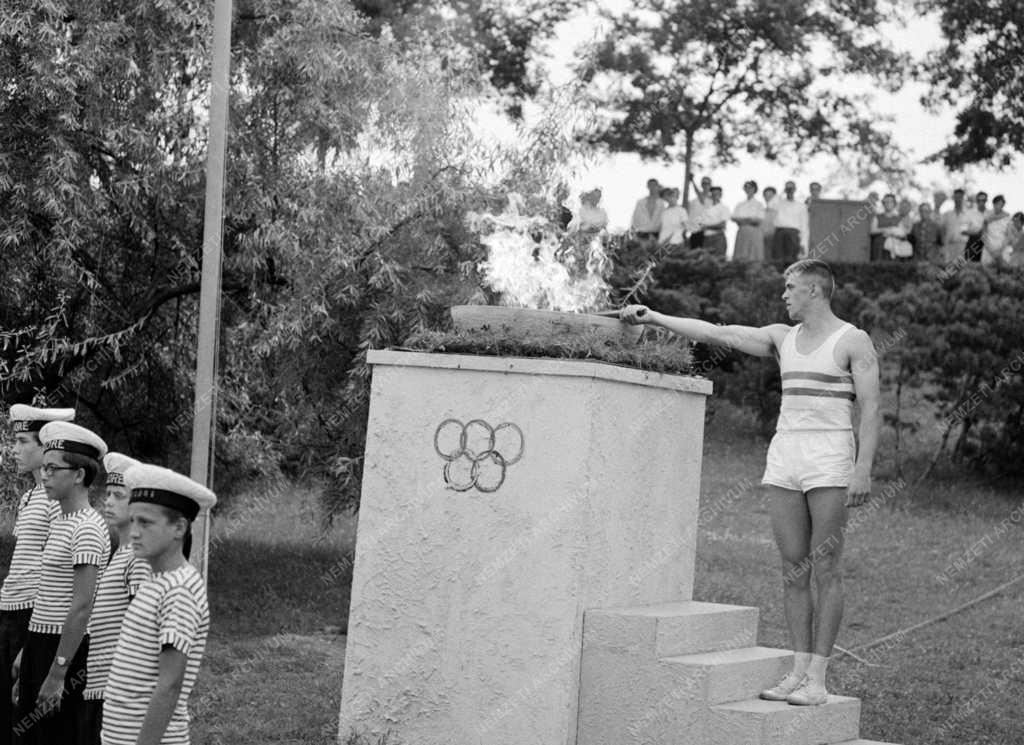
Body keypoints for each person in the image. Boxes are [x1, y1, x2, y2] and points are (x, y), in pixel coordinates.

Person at [620, 259, 880, 706]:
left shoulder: (852, 341)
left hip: (830, 458)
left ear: (815, 291)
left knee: (826, 568)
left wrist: (862, 469)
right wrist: (656, 316)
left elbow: (872, 409)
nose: (784, 294)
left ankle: (818, 679)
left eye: (791, 287)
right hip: (786, 456)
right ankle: (797, 669)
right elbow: (716, 332)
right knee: (793, 567)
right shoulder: (782, 338)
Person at [101, 464, 215, 745]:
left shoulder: (179, 589)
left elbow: (169, 684)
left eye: (146, 523)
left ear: (179, 527)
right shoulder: (156, 580)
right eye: (134, 520)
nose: (135, 532)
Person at [16, 421, 109, 745]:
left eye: (54, 469)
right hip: (40, 642)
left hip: (63, 649)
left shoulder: (87, 527)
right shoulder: (62, 521)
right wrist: (27, 656)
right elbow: (48, 596)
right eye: (44, 468)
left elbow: (82, 607)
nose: (45, 476)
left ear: (80, 475)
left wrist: (57, 674)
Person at [1, 405, 74, 740]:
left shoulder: (54, 500)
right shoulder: (30, 497)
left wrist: (29, 644)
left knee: (23, 718)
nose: (13, 449)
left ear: (45, 447)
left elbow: (55, 573)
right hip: (10, 612)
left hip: (32, 616)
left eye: (21, 441)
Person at [80, 453, 151, 745]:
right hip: (100, 686)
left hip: (120, 690)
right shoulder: (119, 555)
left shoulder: (137, 559)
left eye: (118, 495)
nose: (108, 501)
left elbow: (143, 629)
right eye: (107, 493)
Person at [939, 188, 980, 264]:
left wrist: (968, 232)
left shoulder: (970, 214)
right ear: (953, 198)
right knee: (948, 268)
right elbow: (941, 229)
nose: (957, 199)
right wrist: (943, 242)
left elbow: (976, 230)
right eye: (956, 197)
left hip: (963, 246)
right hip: (949, 247)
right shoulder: (947, 214)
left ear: (963, 198)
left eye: (960, 197)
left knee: (961, 269)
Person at [772, 181, 808, 263]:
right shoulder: (779, 203)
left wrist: (803, 244)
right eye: (788, 188)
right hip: (779, 233)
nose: (789, 190)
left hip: (793, 234)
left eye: (791, 188)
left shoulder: (801, 206)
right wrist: (782, 192)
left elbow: (804, 226)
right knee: (777, 260)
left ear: (795, 189)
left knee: (791, 261)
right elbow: (770, 204)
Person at [732, 180, 765, 262]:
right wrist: (748, 219)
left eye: (750, 187)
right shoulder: (740, 204)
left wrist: (743, 220)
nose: (748, 189)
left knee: (753, 256)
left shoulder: (759, 204)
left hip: (754, 231)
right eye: (746, 187)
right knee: (740, 255)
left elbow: (758, 220)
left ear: (755, 189)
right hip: (742, 231)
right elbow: (734, 218)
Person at [869, 194, 906, 261]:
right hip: (879, 248)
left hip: (894, 248)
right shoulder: (877, 217)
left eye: (891, 202)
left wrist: (893, 232)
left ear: (894, 204)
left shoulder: (899, 219)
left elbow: (903, 234)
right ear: (883, 204)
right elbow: (872, 231)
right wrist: (884, 230)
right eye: (886, 202)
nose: (888, 204)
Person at [630, 179, 665, 246]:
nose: (652, 187)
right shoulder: (640, 202)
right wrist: (633, 233)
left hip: (657, 234)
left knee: (655, 255)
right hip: (642, 234)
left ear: (657, 186)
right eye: (650, 185)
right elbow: (634, 218)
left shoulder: (662, 203)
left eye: (654, 185)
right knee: (642, 255)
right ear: (647, 186)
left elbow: (664, 220)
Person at [700, 186, 731, 256]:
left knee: (718, 262)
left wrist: (707, 226)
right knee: (706, 263)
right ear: (711, 195)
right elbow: (701, 225)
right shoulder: (706, 209)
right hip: (706, 238)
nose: (715, 195)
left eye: (717, 193)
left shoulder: (724, 208)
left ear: (721, 195)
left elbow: (722, 225)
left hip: (718, 238)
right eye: (713, 194)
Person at [981, 194, 1011, 265]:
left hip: (1002, 249)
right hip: (988, 248)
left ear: (1003, 205)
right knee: (986, 272)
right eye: (997, 204)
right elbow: (983, 235)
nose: (998, 206)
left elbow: (1008, 235)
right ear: (993, 204)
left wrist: (1000, 251)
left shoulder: (1007, 217)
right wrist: (990, 250)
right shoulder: (987, 216)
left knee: (1003, 272)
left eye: (1001, 204)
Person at [687, 175, 712, 249]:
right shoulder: (694, 201)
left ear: (710, 185)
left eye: (707, 183)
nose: (705, 185)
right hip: (694, 231)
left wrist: (692, 181)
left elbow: (700, 196)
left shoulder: (711, 199)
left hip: (706, 232)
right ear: (701, 185)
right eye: (704, 183)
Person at [965, 191, 988, 262]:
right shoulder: (970, 213)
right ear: (976, 201)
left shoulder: (990, 213)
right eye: (979, 200)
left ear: (986, 201)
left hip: (987, 244)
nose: (981, 202)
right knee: (970, 266)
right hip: (973, 242)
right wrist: (977, 232)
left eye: (983, 200)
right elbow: (964, 230)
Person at [761, 186, 778, 257]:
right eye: (766, 195)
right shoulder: (761, 211)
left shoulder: (779, 210)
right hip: (762, 238)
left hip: (775, 238)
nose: (768, 197)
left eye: (770, 195)